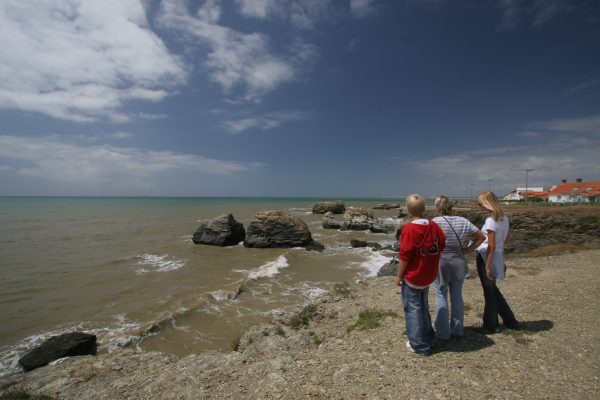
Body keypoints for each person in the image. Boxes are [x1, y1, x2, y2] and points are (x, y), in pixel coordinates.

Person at [396, 194, 446, 355]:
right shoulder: (433, 226)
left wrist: (398, 275)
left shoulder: (409, 228)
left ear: (408, 210)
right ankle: (429, 339)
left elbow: (405, 255)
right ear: (424, 209)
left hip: (414, 276)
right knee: (423, 307)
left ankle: (419, 345)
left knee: (413, 309)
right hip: (428, 274)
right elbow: (442, 244)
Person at [432, 195, 485, 340]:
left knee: (441, 295)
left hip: (441, 262)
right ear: (451, 206)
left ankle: (442, 333)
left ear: (438, 207)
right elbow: (481, 237)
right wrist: (468, 250)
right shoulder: (463, 221)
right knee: (457, 295)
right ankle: (458, 329)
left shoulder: (435, 222)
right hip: (458, 261)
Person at [475, 191, 520, 333]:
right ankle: (510, 320)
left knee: (489, 291)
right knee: (493, 290)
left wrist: (487, 266)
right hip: (497, 256)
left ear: (487, 203)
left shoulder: (490, 220)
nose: (479, 206)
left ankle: (491, 324)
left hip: (486, 256)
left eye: (480, 203)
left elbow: (491, 245)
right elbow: (507, 239)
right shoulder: (504, 219)